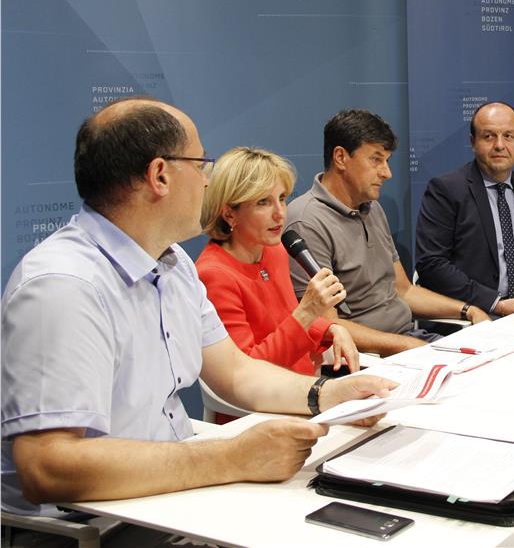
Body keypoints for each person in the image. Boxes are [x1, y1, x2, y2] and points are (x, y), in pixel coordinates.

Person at [0, 98, 394, 524]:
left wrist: (328, 395)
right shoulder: (64, 285)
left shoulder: (173, 264)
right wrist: (232, 457)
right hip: (93, 527)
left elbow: (236, 373)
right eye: (201, 164)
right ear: (160, 175)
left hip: (166, 501)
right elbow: (47, 467)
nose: (207, 181)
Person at [286, 109, 490, 357]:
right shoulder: (306, 221)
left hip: (411, 340)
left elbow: (403, 290)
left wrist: (468, 310)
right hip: (371, 357)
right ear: (340, 157)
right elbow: (328, 325)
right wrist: (411, 347)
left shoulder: (372, 208)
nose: (387, 172)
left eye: (387, 160)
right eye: (376, 159)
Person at [197, 147, 358, 383]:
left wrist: (330, 329)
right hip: (265, 400)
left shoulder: (274, 251)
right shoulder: (214, 275)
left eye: (282, 198)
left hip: (305, 385)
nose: (280, 214)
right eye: (263, 202)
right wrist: (307, 311)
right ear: (230, 214)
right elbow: (247, 374)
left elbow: (285, 323)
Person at [415, 101, 514, 316]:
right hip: (473, 316)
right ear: (473, 142)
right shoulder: (446, 190)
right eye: (489, 136)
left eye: (508, 136)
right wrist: (496, 303)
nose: (499, 145)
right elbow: (432, 265)